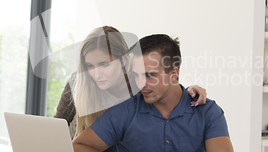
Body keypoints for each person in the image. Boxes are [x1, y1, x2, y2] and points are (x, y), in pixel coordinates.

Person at [72, 34, 268, 152]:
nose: (141, 84)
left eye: (150, 75)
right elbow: (77, 149)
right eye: (137, 75)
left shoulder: (207, 111)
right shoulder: (125, 111)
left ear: (174, 74)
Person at [54, 26, 207, 137]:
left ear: (122, 60)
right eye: (89, 66)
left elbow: (166, 90)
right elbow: (55, 128)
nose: (96, 74)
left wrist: (189, 90)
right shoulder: (79, 81)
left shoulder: (140, 83)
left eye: (104, 64)